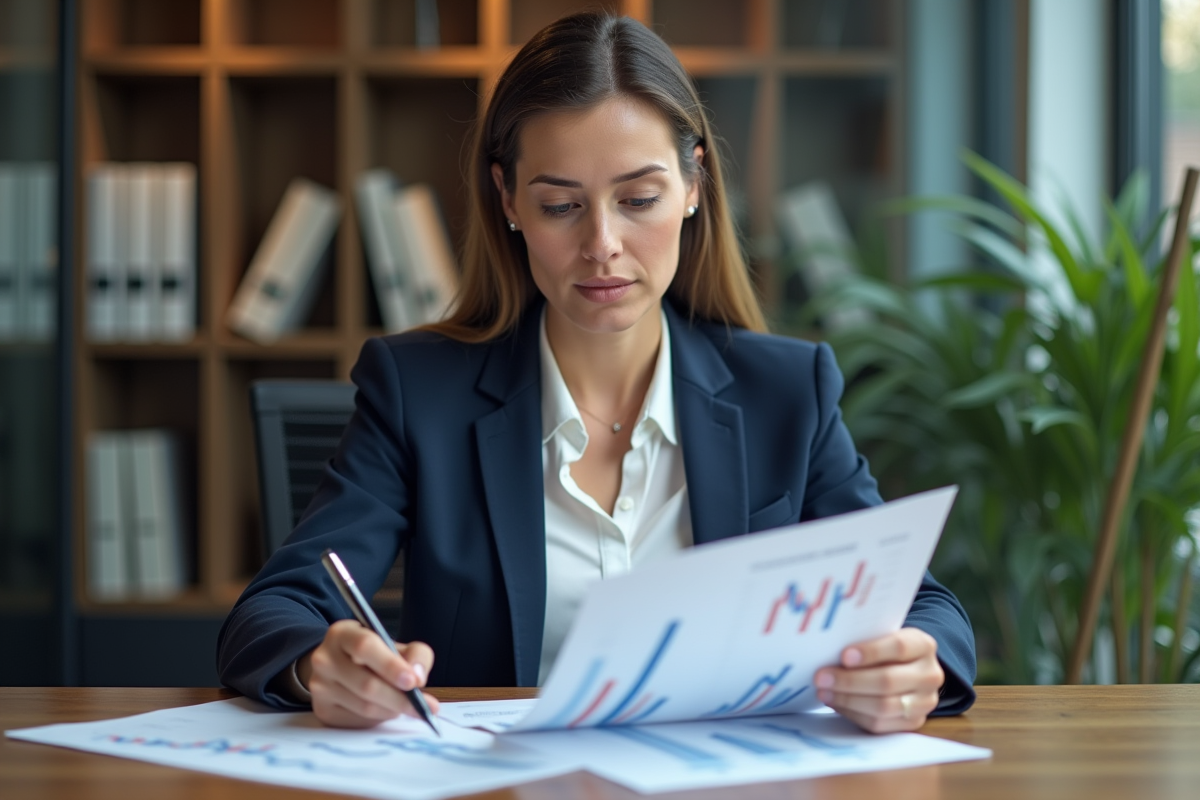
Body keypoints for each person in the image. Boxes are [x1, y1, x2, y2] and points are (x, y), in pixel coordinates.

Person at [217, 10, 976, 734]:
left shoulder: (787, 391)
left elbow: (925, 607)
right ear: (507, 199)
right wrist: (319, 666)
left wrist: (918, 666)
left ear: (693, 187)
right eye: (559, 207)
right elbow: (275, 610)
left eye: (638, 198)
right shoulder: (419, 393)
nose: (603, 244)